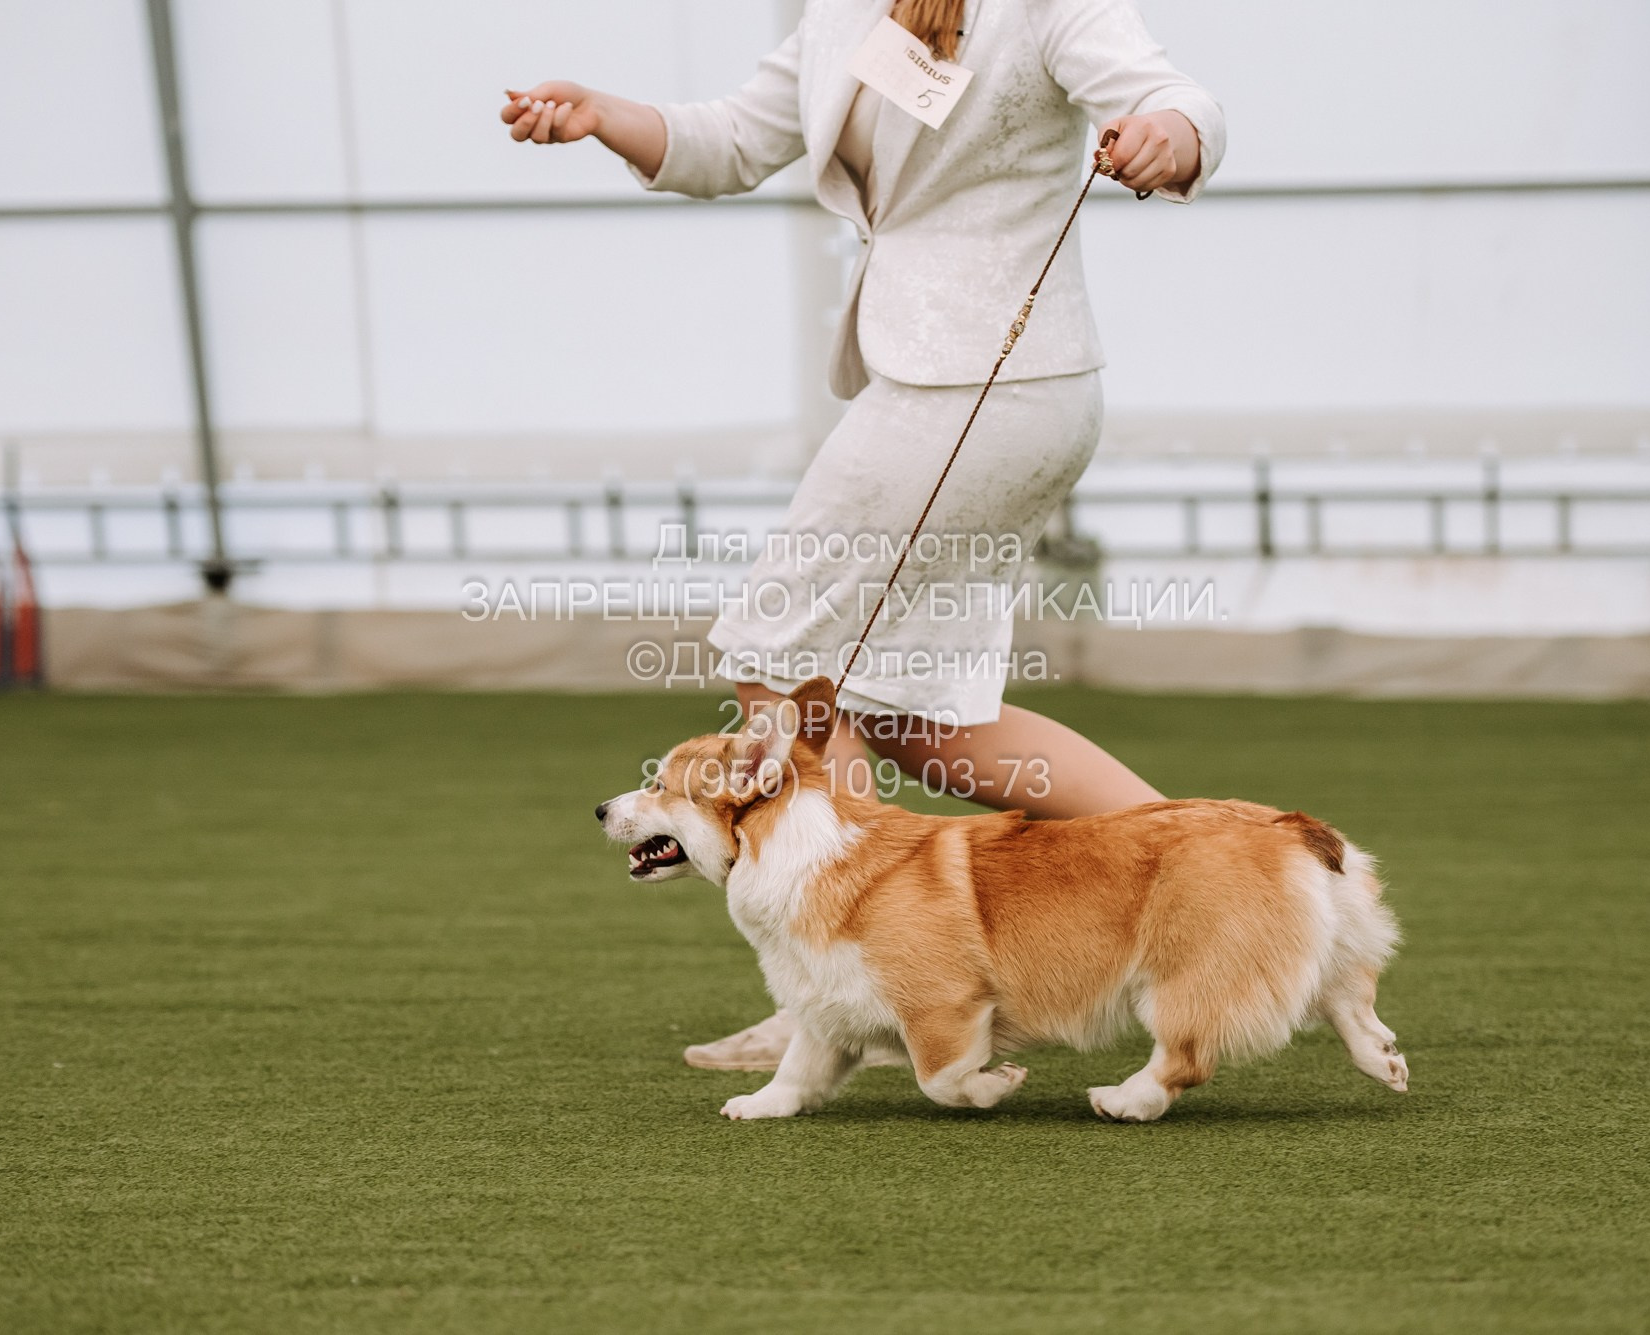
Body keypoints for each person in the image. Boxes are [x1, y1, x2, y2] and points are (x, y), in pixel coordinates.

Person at [503, 0, 1225, 1071]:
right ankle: (1215, 880)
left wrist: (1174, 135)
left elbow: (1169, 95)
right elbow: (736, 139)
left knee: (779, 653)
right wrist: (607, 115)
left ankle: (841, 986)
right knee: (917, 718)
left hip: (984, 384)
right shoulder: (840, 8)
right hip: (949, 381)